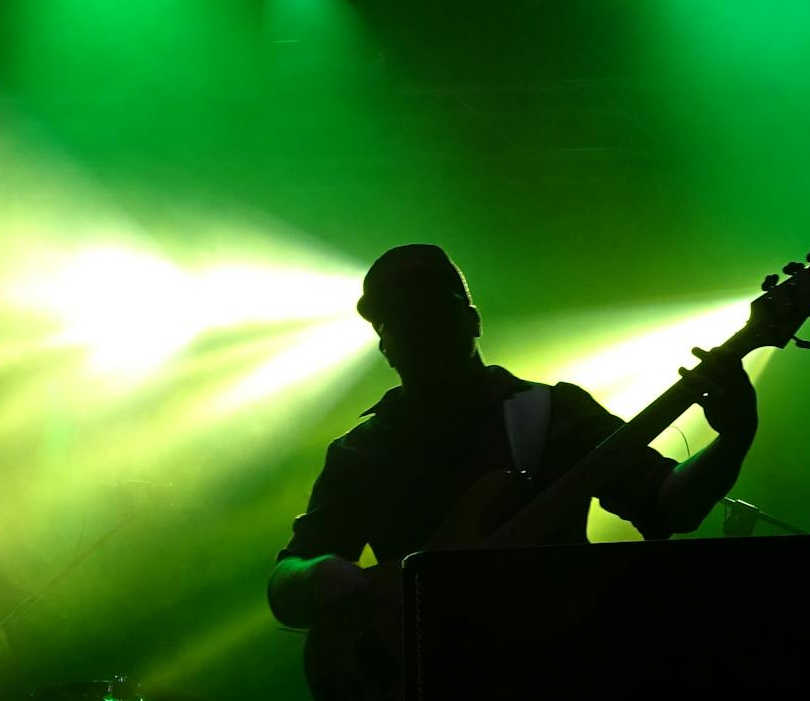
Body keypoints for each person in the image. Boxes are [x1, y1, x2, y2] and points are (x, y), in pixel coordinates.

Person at [268, 244, 758, 630]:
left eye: (432, 309)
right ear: (384, 344)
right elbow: (285, 580)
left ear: (473, 320)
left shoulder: (554, 411)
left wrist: (735, 437)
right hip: (425, 693)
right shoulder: (361, 451)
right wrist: (312, 575)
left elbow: (671, 504)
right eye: (398, 318)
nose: (418, 327)